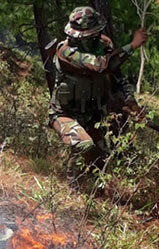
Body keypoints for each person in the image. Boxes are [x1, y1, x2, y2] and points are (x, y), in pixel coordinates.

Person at [47, 6, 147, 167]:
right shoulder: (65, 52)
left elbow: (118, 79)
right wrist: (132, 45)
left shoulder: (103, 45)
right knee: (84, 145)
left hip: (93, 116)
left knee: (101, 163)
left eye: (96, 34)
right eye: (89, 36)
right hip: (66, 114)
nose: (95, 38)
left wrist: (131, 103)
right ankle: (73, 189)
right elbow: (100, 66)